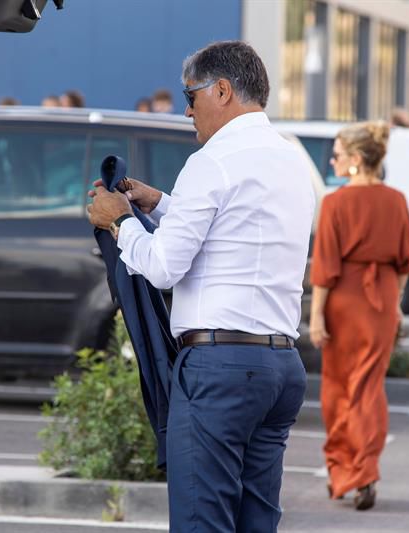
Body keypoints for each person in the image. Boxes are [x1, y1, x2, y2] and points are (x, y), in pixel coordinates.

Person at [88, 40, 314, 532]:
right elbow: (239, 233)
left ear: (224, 90)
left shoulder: (212, 161)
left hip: (221, 369)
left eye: (191, 96)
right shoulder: (291, 159)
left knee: (201, 523)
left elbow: (165, 267)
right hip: (280, 366)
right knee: (256, 524)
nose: (186, 109)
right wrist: (162, 204)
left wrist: (120, 221)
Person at [308, 121, 409, 511]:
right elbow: (405, 261)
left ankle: (345, 470)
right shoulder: (397, 200)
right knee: (368, 388)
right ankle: (365, 468)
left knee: (338, 388)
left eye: (336, 154)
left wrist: (317, 317)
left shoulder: (336, 204)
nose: (332, 160)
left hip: (343, 300)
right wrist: (396, 302)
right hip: (382, 298)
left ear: (355, 160)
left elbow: (325, 268)